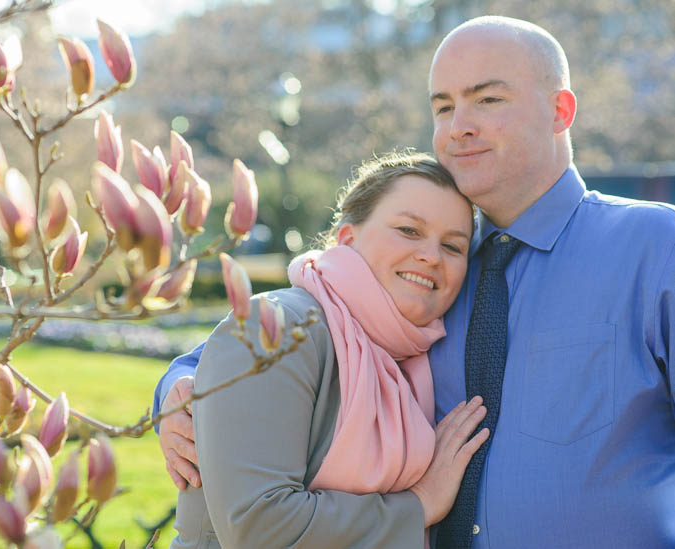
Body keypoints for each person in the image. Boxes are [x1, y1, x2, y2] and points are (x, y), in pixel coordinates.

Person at [156, 15, 675, 548]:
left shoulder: (657, 247)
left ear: (560, 110)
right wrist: (173, 391)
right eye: (443, 107)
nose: (458, 126)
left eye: (487, 100)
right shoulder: (432, 272)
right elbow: (283, 328)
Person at [171, 152, 487, 548]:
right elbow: (258, 528)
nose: (431, 255)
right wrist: (419, 506)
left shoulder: (411, 357)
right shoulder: (277, 328)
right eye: (409, 230)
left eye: (453, 247)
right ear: (348, 239)